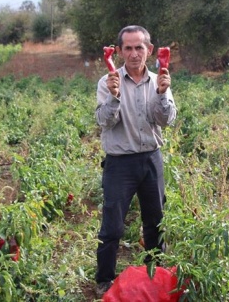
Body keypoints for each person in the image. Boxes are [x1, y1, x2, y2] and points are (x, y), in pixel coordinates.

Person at [94, 25, 177, 297]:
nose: (133, 53)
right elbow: (104, 122)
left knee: (155, 220)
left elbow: (166, 121)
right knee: (113, 226)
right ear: (118, 52)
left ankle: (156, 274)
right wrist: (114, 96)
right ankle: (104, 279)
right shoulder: (108, 82)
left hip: (151, 159)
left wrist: (163, 94)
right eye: (127, 48)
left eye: (139, 47)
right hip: (120, 164)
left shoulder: (158, 80)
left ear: (149, 50)